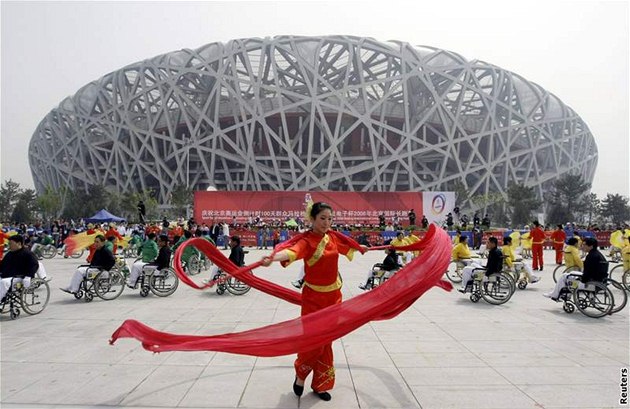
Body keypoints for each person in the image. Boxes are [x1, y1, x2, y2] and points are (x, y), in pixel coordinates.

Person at [260, 202, 359, 401]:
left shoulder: (332, 238)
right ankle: (301, 375)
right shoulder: (307, 241)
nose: (327, 222)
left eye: (330, 219)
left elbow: (349, 247)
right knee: (313, 341)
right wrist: (273, 258)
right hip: (314, 300)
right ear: (312, 219)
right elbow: (292, 252)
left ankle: (321, 385)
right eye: (322, 218)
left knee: (326, 343)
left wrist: (360, 247)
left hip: (334, 299)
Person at [0, 235, 39, 302]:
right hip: (7, 275)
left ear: (19, 243)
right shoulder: (9, 254)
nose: (9, 246)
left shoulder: (28, 254)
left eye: (11, 244)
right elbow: (2, 265)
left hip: (20, 277)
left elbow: (34, 265)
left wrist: (28, 276)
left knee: (3, 282)